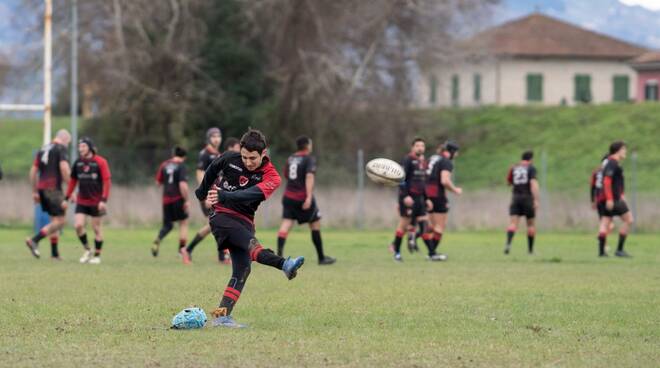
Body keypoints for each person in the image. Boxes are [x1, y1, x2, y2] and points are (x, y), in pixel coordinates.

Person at [195, 129, 305, 328]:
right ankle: (284, 265)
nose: (247, 161)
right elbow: (213, 166)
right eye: (244, 156)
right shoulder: (230, 158)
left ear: (264, 153)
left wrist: (223, 195)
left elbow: (250, 194)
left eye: (252, 158)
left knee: (242, 269)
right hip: (221, 217)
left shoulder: (272, 176)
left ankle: (221, 316)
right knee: (253, 247)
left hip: (244, 221)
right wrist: (201, 192)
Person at [276, 136, 336, 265]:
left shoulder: (291, 158)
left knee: (286, 224)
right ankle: (321, 258)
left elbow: (287, 175)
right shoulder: (309, 158)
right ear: (307, 145)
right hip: (302, 197)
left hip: (288, 196)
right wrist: (308, 197)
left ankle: (279, 257)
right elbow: (309, 176)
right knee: (315, 223)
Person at [183, 128, 228, 264]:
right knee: (216, 224)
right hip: (209, 194)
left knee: (215, 225)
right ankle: (189, 250)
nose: (217, 139)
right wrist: (206, 192)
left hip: (216, 193)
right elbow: (200, 173)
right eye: (213, 136)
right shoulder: (205, 153)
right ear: (209, 138)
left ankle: (220, 256)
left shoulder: (218, 153)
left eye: (219, 136)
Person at [25, 129, 72, 259]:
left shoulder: (43, 149)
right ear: (64, 139)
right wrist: (71, 188)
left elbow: (33, 171)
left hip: (41, 188)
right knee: (61, 221)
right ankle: (34, 240)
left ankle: (54, 254)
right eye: (68, 143)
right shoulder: (60, 148)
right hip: (53, 189)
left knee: (54, 220)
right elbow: (64, 168)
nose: (67, 146)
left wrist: (35, 191)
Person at [66, 137, 112, 264]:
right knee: (78, 225)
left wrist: (104, 200)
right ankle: (87, 250)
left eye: (83, 146)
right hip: (82, 200)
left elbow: (107, 181)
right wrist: (67, 196)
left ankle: (97, 256)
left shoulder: (101, 162)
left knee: (96, 228)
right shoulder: (78, 163)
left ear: (90, 148)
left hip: (97, 201)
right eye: (79, 146)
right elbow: (73, 181)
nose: (80, 149)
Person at [389, 138, 428, 262]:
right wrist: (405, 196)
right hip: (407, 198)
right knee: (403, 225)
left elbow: (423, 182)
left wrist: (427, 199)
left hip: (419, 198)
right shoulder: (408, 160)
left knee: (422, 225)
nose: (420, 148)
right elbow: (401, 179)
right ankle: (397, 253)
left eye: (422, 145)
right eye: (417, 145)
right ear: (412, 147)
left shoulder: (422, 161)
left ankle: (428, 250)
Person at [424, 141, 461, 261]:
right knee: (440, 226)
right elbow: (444, 180)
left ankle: (429, 249)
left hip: (425, 194)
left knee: (431, 226)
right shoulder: (446, 162)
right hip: (437, 195)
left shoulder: (432, 158)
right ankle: (432, 254)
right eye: (456, 153)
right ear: (452, 152)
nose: (457, 155)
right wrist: (455, 190)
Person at [596, 141, 633, 258]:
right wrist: (610, 199)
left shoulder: (611, 162)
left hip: (605, 198)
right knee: (629, 220)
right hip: (612, 199)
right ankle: (619, 250)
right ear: (618, 150)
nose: (625, 151)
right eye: (624, 149)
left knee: (605, 222)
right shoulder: (612, 163)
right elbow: (607, 181)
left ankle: (602, 252)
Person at [151, 146, 190, 258]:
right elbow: (183, 185)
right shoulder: (182, 166)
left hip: (166, 200)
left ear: (174, 154)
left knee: (168, 225)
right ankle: (181, 251)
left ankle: (158, 239)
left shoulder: (164, 164)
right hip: (178, 199)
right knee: (183, 223)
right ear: (184, 157)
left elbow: (158, 183)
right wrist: (186, 200)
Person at [504, 150, 539, 255]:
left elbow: (508, 183)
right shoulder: (531, 168)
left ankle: (508, 245)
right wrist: (536, 199)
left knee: (513, 224)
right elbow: (533, 183)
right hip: (527, 198)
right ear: (531, 159)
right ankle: (530, 250)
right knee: (531, 224)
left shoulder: (514, 168)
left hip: (515, 198)